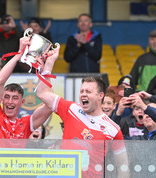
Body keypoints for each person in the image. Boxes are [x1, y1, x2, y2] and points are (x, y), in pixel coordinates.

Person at [36, 48, 128, 177]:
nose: (83, 95)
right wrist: (49, 63)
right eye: (82, 91)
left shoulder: (113, 129)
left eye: (88, 92)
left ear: (100, 95)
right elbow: (42, 93)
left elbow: (123, 168)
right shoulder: (71, 109)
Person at [0, 36, 53, 139]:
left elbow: (51, 105)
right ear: (1, 99)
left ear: (22, 102)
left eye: (15, 98)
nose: (10, 101)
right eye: (6, 97)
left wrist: (45, 71)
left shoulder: (26, 124)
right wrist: (19, 54)